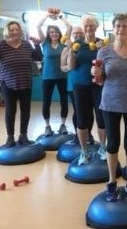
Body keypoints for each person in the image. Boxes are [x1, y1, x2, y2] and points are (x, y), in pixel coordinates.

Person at [92, 13, 127, 203]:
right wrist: (96, 74)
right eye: (117, 26)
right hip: (110, 102)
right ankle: (111, 182)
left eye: (125, 26)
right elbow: (100, 82)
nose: (121, 29)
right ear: (113, 28)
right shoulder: (104, 52)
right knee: (113, 143)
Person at [0, 21, 43, 147]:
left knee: (25, 110)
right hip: (8, 83)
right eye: (11, 30)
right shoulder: (1, 45)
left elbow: (38, 57)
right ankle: (10, 137)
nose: (14, 32)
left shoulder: (26, 45)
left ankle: (23, 135)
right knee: (10, 111)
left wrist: (37, 45)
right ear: (7, 32)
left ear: (20, 31)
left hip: (25, 82)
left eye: (16, 29)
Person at [67, 15, 106, 166]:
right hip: (80, 86)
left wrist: (103, 51)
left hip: (99, 85)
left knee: (101, 118)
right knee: (82, 119)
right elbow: (71, 67)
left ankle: (102, 148)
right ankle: (84, 151)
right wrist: (71, 50)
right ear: (83, 29)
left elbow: (108, 65)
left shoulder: (102, 44)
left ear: (96, 28)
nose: (89, 28)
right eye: (86, 26)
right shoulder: (77, 44)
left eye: (91, 26)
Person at [36, 10, 72, 136]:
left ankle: (63, 125)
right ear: (48, 34)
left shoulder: (63, 42)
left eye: (56, 32)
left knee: (63, 101)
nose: (54, 34)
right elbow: (38, 26)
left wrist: (60, 16)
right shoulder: (44, 43)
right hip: (47, 77)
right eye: (51, 32)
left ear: (59, 33)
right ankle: (47, 126)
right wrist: (47, 16)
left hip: (62, 76)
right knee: (46, 102)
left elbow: (70, 27)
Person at [60, 26, 95, 144]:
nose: (78, 35)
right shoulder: (67, 49)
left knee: (89, 111)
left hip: (88, 83)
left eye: (80, 33)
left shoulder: (86, 47)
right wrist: (69, 67)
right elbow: (63, 66)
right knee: (78, 112)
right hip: (73, 84)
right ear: (72, 35)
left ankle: (88, 134)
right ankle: (77, 136)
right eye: (75, 33)